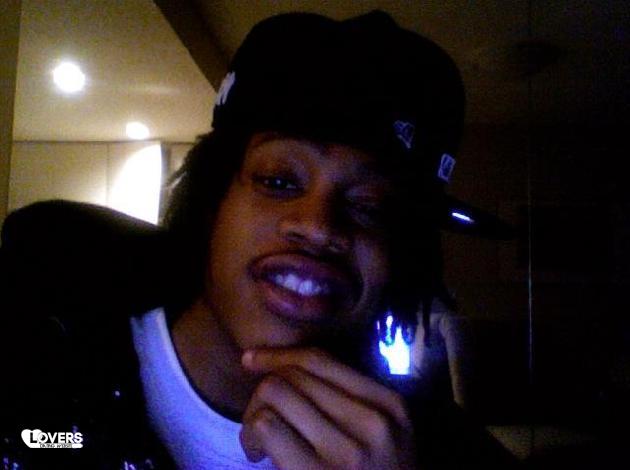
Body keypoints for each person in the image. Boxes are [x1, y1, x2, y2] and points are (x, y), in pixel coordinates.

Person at [0, 10, 516, 469]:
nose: (319, 227)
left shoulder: (444, 451)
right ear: (212, 202)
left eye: (372, 206)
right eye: (279, 180)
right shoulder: (33, 362)